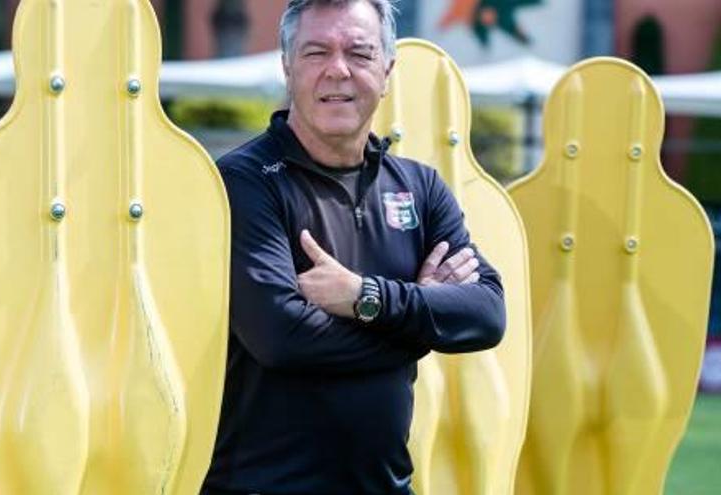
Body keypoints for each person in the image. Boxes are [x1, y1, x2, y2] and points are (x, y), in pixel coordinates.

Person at [201, 1, 506, 493]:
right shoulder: (244, 183)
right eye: (316, 52)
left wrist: (367, 296)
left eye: (359, 54)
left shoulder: (420, 187)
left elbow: (487, 314)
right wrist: (421, 319)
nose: (337, 70)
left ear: (386, 71)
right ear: (287, 66)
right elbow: (283, 339)